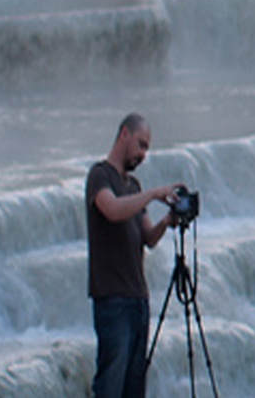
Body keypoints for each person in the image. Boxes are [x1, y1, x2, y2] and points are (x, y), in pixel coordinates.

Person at [87, 113, 183, 398]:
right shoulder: (100, 175)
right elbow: (112, 210)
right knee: (110, 385)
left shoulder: (133, 187)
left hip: (138, 299)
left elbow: (148, 239)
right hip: (112, 299)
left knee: (133, 388)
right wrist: (154, 194)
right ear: (124, 134)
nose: (143, 154)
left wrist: (167, 221)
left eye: (147, 149)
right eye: (141, 145)